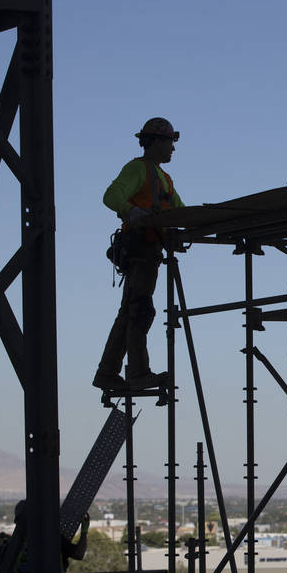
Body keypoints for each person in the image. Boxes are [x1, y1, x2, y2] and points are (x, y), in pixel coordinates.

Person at [93, 117, 185, 392]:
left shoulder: (164, 178)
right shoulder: (138, 169)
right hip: (140, 251)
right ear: (156, 142)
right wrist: (132, 212)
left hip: (150, 251)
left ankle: (108, 373)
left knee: (130, 312)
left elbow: (180, 211)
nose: (173, 148)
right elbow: (111, 195)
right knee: (139, 311)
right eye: (170, 142)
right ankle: (137, 373)